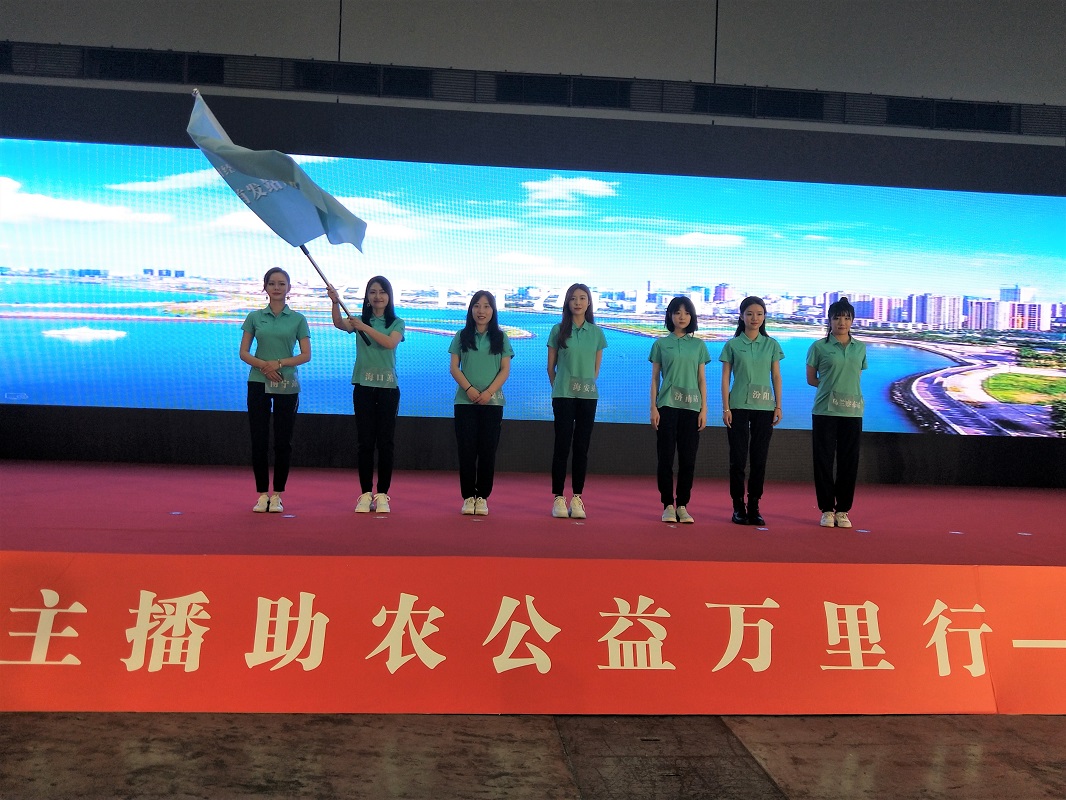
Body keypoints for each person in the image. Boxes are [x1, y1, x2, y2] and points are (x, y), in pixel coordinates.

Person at [327, 276, 404, 514]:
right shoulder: (359, 320)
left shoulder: (396, 323)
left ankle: (382, 494)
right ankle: (365, 493)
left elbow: (389, 343)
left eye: (382, 292)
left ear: (389, 296)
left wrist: (364, 327)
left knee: (386, 443)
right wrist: (335, 302)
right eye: (373, 292)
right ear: (368, 296)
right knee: (365, 443)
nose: (377, 296)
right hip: (363, 388)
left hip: (388, 389)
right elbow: (339, 323)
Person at [239, 267, 311, 513]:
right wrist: (264, 367)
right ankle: (262, 494)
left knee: (283, 441)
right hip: (258, 382)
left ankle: (278, 494)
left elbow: (305, 355)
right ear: (265, 287)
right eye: (272, 283)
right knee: (259, 439)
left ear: (289, 288)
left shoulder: (298, 319)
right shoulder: (254, 317)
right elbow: (244, 352)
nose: (277, 287)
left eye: (281, 283)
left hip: (286, 383)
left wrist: (278, 364)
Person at [720, 296, 784, 525]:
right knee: (737, 459)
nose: (754, 318)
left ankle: (754, 506)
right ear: (741, 316)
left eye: (759, 314)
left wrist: (778, 405)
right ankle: (738, 506)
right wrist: (726, 407)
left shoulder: (771, 345)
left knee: (759, 459)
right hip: (737, 406)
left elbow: (776, 376)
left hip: (764, 407)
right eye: (749, 314)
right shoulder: (732, 345)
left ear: (764, 317)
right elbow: (725, 378)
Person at [449, 291, 513, 516]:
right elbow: (454, 368)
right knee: (466, 451)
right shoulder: (461, 335)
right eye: (477, 306)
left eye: (486, 306)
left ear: (493, 310)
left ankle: (482, 497)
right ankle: (468, 496)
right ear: (471, 309)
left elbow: (505, 370)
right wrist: (469, 389)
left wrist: (488, 393)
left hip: (492, 403)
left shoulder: (501, 337)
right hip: (464, 402)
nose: (481, 311)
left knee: (487, 451)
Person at [547, 283, 607, 519]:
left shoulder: (596, 333)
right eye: (573, 298)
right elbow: (550, 368)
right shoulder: (558, 330)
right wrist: (560, 387)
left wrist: (582, 386)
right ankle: (558, 497)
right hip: (563, 396)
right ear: (567, 303)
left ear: (589, 302)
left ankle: (577, 497)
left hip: (587, 396)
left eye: (582, 298)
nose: (578, 302)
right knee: (562, 446)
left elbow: (595, 370)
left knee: (581, 447)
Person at [805, 296, 867, 528]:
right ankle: (826, 510)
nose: (842, 322)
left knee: (848, 462)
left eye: (847, 318)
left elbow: (856, 377)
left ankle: (843, 510)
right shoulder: (818, 347)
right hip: (825, 411)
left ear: (852, 321)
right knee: (823, 460)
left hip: (852, 412)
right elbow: (811, 379)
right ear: (829, 320)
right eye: (837, 317)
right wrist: (830, 389)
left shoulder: (860, 348)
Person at [649, 296, 709, 523]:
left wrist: (704, 409)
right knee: (665, 458)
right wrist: (653, 407)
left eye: (686, 312)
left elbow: (701, 379)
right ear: (670, 316)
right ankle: (667, 505)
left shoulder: (699, 345)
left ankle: (682, 505)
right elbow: (655, 379)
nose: (682, 316)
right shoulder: (660, 344)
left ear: (692, 316)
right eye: (677, 312)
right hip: (667, 406)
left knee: (688, 459)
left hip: (691, 408)